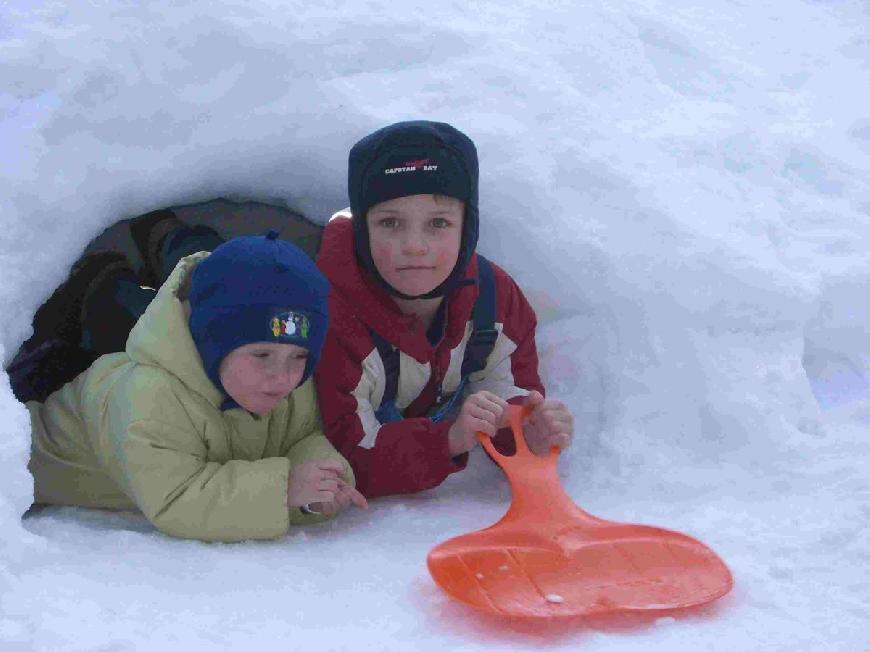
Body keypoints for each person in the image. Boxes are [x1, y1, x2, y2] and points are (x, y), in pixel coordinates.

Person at [27, 232, 367, 542]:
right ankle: (94, 287)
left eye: (299, 356)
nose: (282, 376)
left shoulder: (284, 382)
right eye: (262, 353)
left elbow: (303, 437)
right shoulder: (150, 398)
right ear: (213, 342)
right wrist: (285, 488)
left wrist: (321, 480)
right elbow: (178, 497)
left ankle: (113, 280)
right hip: (38, 440)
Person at [314, 120, 575, 499]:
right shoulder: (330, 316)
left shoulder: (493, 300)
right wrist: (447, 439)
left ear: (467, 227)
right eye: (390, 223)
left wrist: (525, 431)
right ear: (363, 231)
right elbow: (349, 452)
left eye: (438, 223)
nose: (415, 246)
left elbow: (510, 392)